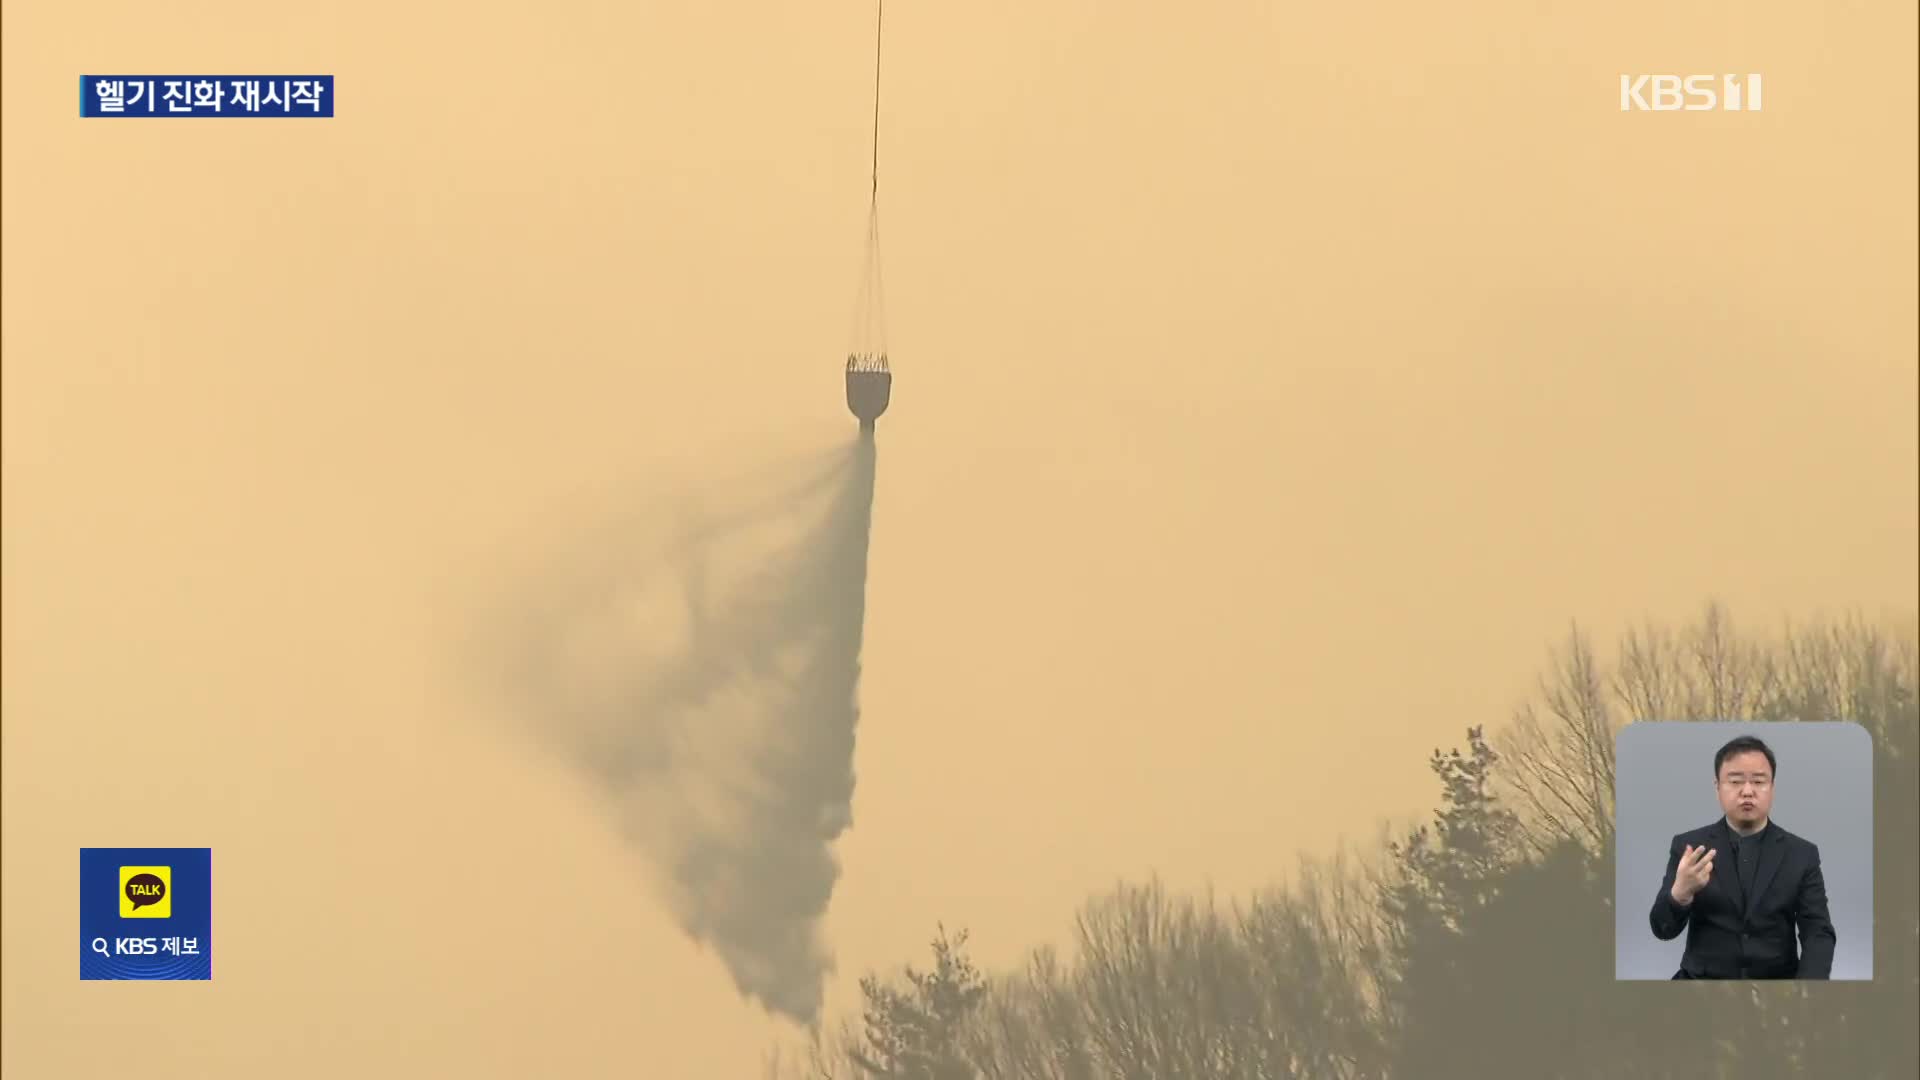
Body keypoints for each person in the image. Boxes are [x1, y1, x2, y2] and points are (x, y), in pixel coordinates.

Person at [1649, 734, 1836, 979]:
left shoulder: (1801, 854)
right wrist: (1680, 894)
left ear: (1773, 787)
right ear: (1717, 787)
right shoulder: (1690, 848)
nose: (1747, 791)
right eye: (1735, 781)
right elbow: (1663, 929)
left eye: (1759, 782)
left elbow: (1818, 933)